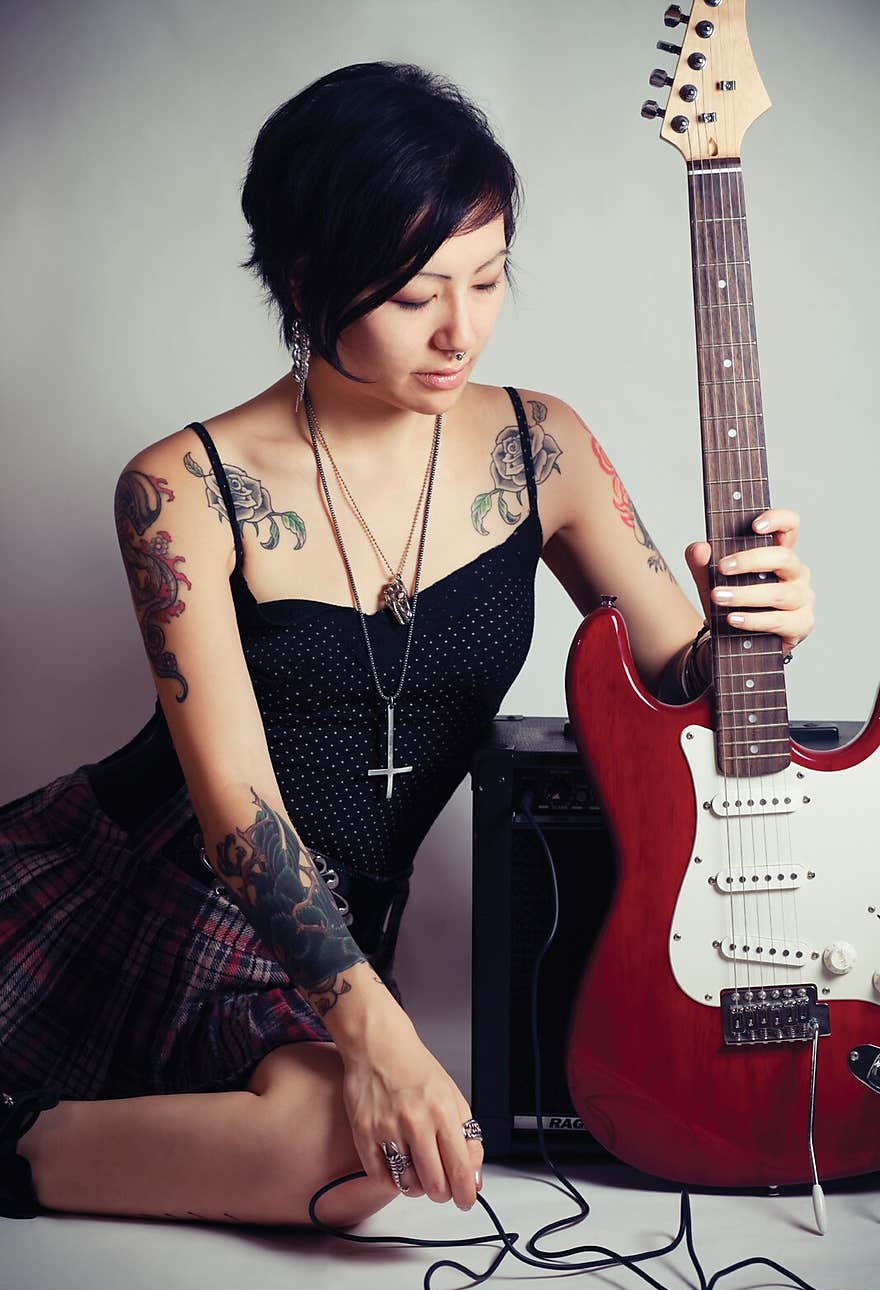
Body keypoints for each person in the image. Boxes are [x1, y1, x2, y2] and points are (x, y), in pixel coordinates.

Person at [0, 61, 815, 1230]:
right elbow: (235, 810)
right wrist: (380, 1031)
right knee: (359, 1147)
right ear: (303, 278)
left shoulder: (544, 448)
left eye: (488, 279)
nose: (460, 329)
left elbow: (680, 682)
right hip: (154, 895)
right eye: (414, 293)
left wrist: (758, 621)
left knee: (382, 1158)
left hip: (343, 940)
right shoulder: (180, 487)